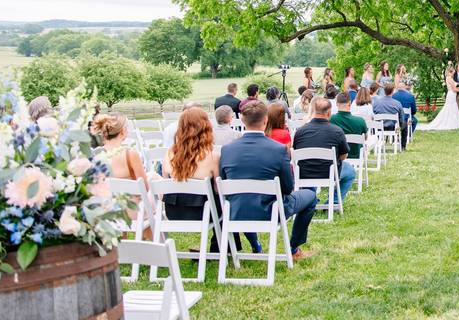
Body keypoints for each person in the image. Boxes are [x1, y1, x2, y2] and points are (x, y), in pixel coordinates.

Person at [220, 101, 316, 261]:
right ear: (265, 120)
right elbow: (287, 187)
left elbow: (223, 183)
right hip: (271, 210)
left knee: (245, 197)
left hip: (236, 211)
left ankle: (256, 245)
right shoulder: (279, 150)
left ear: (242, 120)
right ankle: (293, 249)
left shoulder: (227, 149)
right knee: (310, 196)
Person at [161, 106, 254, 254]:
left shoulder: (169, 153)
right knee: (227, 205)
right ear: (205, 128)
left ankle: (223, 249)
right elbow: (219, 190)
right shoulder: (212, 157)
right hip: (202, 213)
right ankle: (220, 249)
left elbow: (164, 184)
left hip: (174, 211)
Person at [90, 113, 151, 236]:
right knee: (152, 205)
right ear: (122, 131)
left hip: (109, 210)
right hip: (133, 211)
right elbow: (145, 187)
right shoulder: (130, 154)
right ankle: (159, 249)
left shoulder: (97, 157)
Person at [292, 97, 355, 201]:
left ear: (312, 111)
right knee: (350, 171)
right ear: (329, 113)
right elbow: (343, 156)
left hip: (304, 173)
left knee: (308, 164)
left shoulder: (300, 131)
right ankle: (334, 201)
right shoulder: (337, 131)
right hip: (328, 172)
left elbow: (296, 153)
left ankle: (310, 200)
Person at [422, 65, 459, 131]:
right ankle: (450, 123)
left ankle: (452, 123)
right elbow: (454, 89)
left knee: (451, 108)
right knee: (450, 108)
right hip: (451, 94)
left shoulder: (448, 78)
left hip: (451, 94)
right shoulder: (449, 78)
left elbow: (455, 87)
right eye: (453, 72)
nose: (454, 73)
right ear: (451, 71)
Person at [330, 92, 368, 161]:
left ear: (336, 104)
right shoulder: (360, 120)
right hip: (356, 154)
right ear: (350, 103)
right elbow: (365, 138)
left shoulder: (331, 119)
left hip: (337, 155)